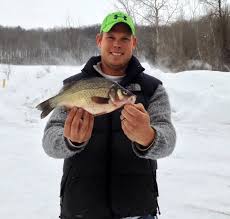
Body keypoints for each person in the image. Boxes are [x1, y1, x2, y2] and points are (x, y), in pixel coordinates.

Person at [42, 11, 176, 219]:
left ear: (134, 43)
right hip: (80, 210)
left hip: (137, 211)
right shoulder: (75, 86)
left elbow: (168, 139)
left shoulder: (152, 89)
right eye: (110, 37)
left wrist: (149, 138)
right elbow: (49, 142)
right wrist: (69, 141)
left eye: (124, 39)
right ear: (99, 40)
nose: (117, 44)